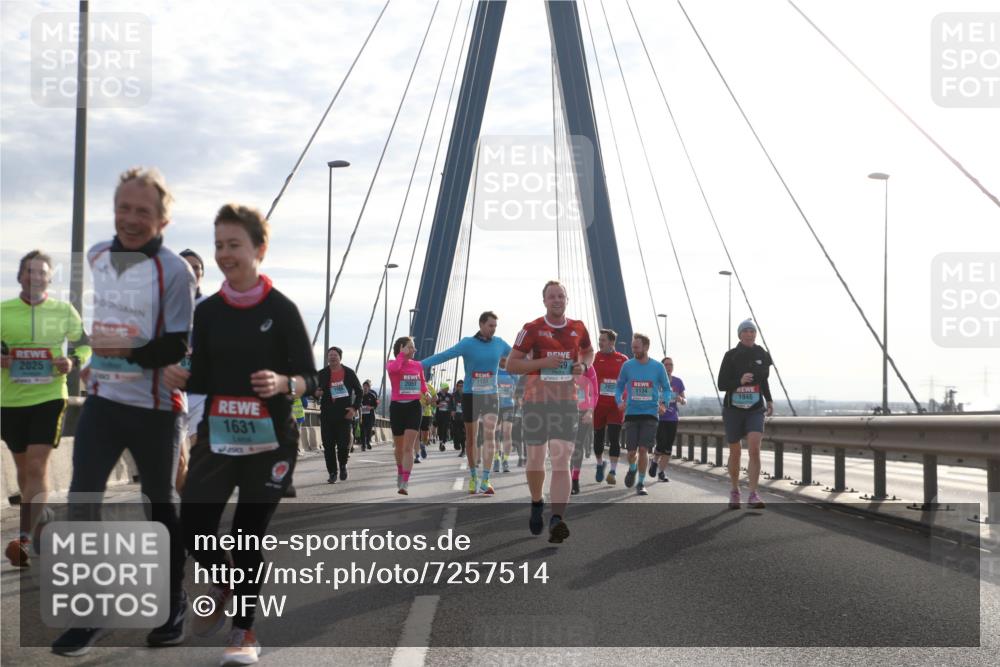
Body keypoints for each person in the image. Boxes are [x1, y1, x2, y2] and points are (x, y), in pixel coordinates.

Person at [165, 202, 317, 665]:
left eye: (234, 245)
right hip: (219, 434)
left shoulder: (282, 309)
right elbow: (204, 374)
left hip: (272, 438)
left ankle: (244, 632)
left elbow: (309, 377)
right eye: (219, 246)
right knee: (194, 525)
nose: (225, 254)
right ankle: (224, 578)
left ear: (259, 249)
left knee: (249, 534)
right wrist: (180, 375)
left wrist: (283, 384)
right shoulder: (208, 312)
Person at [52, 168, 196, 656]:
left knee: (158, 501)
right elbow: (103, 322)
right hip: (105, 401)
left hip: (156, 408)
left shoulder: (174, 271)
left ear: (163, 219)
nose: (131, 219)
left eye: (143, 212)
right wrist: (99, 357)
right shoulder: (95, 255)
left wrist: (128, 349)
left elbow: (177, 343)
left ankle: (173, 604)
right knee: (81, 498)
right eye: (124, 209)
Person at [1, 250, 91, 568]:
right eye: (30, 271)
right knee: (25, 473)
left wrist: (72, 361)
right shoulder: (3, 311)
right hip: (10, 401)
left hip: (50, 397)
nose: (35, 277)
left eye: (41, 272)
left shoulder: (63, 310)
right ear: (20, 276)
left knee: (37, 468)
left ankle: (23, 541)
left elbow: (83, 343)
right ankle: (43, 516)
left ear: (49, 278)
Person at [506, 280, 593, 543]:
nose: (557, 300)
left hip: (566, 402)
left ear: (567, 300)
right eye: (551, 296)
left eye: (561, 296)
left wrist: (583, 367)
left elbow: (588, 352)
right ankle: (536, 501)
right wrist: (544, 362)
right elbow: (512, 365)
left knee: (561, 458)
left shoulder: (578, 328)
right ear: (544, 301)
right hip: (535, 403)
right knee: (535, 459)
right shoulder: (531, 329)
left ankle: (557, 519)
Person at [421, 311, 511, 495]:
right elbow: (444, 356)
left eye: (495, 326)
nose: (493, 329)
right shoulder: (467, 343)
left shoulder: (500, 343)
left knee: (489, 436)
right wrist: (418, 365)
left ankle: (485, 479)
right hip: (471, 395)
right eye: (490, 325)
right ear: (481, 324)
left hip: (491, 396)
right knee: (471, 438)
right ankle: (473, 477)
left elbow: (520, 355)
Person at [718, 319, 774, 509]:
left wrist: (769, 399)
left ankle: (753, 493)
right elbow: (722, 384)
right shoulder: (731, 355)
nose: (749, 334)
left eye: (752, 331)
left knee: (754, 448)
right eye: (746, 331)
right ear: (740, 335)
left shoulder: (762, 354)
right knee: (735, 452)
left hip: (755, 409)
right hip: (733, 410)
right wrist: (740, 380)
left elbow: (764, 380)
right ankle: (735, 490)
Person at [174, 249, 209, 494]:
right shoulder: (158, 308)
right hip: (169, 393)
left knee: (200, 457)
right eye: (186, 266)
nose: (192, 271)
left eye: (197, 267)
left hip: (201, 392)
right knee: (177, 467)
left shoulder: (212, 307)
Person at [385, 336, 431, 495]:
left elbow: (422, 382)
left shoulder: (418, 365)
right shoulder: (391, 363)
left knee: (408, 447)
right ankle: (400, 470)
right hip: (397, 407)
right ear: (402, 348)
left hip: (413, 407)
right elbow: (394, 370)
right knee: (398, 447)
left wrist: (426, 393)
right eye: (411, 347)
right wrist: (401, 356)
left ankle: (405, 481)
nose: (415, 350)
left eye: (414, 347)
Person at [316, 346, 362, 483]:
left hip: (344, 415)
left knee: (343, 445)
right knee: (328, 446)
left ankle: (343, 465)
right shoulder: (322, 373)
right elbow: (314, 390)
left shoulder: (349, 373)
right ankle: (332, 473)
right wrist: (315, 393)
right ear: (327, 358)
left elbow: (359, 392)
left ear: (340, 357)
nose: (332, 357)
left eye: (335, 355)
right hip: (327, 414)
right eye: (330, 355)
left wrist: (354, 408)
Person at [592, 329, 628, 485]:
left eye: (603, 340)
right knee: (598, 440)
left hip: (615, 406)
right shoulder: (594, 358)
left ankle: (613, 471)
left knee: (614, 439)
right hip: (598, 405)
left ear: (612, 342)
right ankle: (600, 464)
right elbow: (587, 380)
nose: (600, 342)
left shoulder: (623, 360)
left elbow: (628, 382)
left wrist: (624, 401)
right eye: (599, 340)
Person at [649, 356, 686, 482]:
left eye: (671, 364)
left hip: (672, 418)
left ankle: (662, 472)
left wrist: (681, 400)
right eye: (666, 365)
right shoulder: (656, 382)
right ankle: (654, 461)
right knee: (661, 443)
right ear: (662, 367)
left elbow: (684, 400)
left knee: (668, 447)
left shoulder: (678, 382)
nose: (669, 367)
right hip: (659, 417)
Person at [570, 362, 597, 495]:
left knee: (578, 446)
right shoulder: (564, 362)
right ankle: (565, 478)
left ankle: (574, 479)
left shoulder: (590, 368)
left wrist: (590, 411)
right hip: (565, 411)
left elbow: (595, 393)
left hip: (583, 412)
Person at [495, 357, 517, 473]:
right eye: (502, 359)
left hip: (509, 405)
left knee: (507, 432)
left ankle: (505, 460)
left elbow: (520, 387)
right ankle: (496, 459)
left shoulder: (512, 372)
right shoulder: (495, 371)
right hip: (496, 406)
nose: (503, 361)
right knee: (496, 434)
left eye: (505, 359)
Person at [359, 380, 378, 450]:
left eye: (366, 387)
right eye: (364, 386)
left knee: (368, 430)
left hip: (370, 416)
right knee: (362, 430)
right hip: (362, 416)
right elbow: (357, 404)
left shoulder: (372, 395)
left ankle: (368, 442)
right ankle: (363, 445)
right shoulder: (360, 395)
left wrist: (371, 407)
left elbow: (376, 405)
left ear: (369, 388)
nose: (365, 388)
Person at [450, 380, 466, 457]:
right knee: (455, 433)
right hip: (455, 417)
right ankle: (456, 444)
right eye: (459, 386)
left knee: (463, 434)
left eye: (462, 386)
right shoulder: (453, 395)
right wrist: (452, 410)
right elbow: (450, 404)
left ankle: (463, 450)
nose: (460, 387)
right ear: (457, 386)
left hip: (464, 417)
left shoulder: (467, 395)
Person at [434, 382, 452, 449]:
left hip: (447, 415)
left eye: (447, 388)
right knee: (440, 428)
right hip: (439, 414)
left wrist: (450, 409)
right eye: (446, 388)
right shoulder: (437, 395)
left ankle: (444, 441)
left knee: (446, 427)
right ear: (443, 388)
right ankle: (441, 440)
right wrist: (438, 405)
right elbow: (433, 403)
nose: (447, 389)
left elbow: (452, 404)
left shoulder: (450, 396)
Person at [418, 386, 434, 461]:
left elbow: (436, 397)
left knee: (425, 436)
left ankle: (423, 445)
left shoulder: (429, 386)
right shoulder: (413, 383)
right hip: (416, 413)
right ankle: (417, 454)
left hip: (427, 414)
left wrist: (429, 402)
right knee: (416, 433)